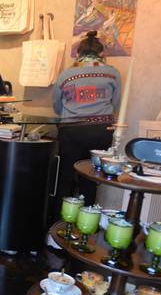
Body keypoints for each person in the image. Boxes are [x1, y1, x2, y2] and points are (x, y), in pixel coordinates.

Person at [51, 31, 122, 214]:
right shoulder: (112, 74)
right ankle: (87, 222)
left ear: (79, 53)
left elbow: (57, 106)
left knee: (65, 176)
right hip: (101, 130)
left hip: (71, 129)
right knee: (91, 176)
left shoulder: (66, 75)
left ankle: (60, 224)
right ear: (101, 53)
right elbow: (115, 104)